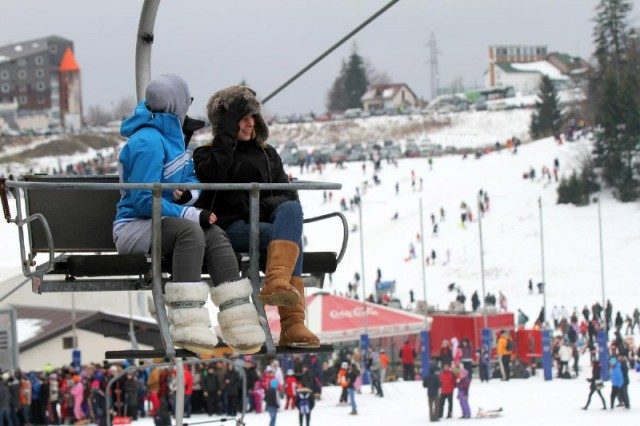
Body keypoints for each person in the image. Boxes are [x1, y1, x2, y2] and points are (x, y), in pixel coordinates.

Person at [112, 75, 264, 355]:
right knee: (191, 231)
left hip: (166, 221)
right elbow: (144, 199)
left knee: (216, 235)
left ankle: (239, 321)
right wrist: (190, 212)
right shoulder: (147, 142)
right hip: (135, 226)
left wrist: (188, 193)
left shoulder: (172, 138)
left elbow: (190, 178)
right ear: (176, 104)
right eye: (187, 101)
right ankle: (186, 321)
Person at [193, 85, 319, 348]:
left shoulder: (267, 153)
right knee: (290, 241)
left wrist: (259, 208)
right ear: (226, 123)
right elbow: (217, 174)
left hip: (262, 225)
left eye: (252, 117)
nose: (249, 124)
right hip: (229, 228)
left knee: (292, 212)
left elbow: (287, 196)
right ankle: (292, 324)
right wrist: (226, 137)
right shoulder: (206, 155)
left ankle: (278, 283)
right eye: (241, 118)